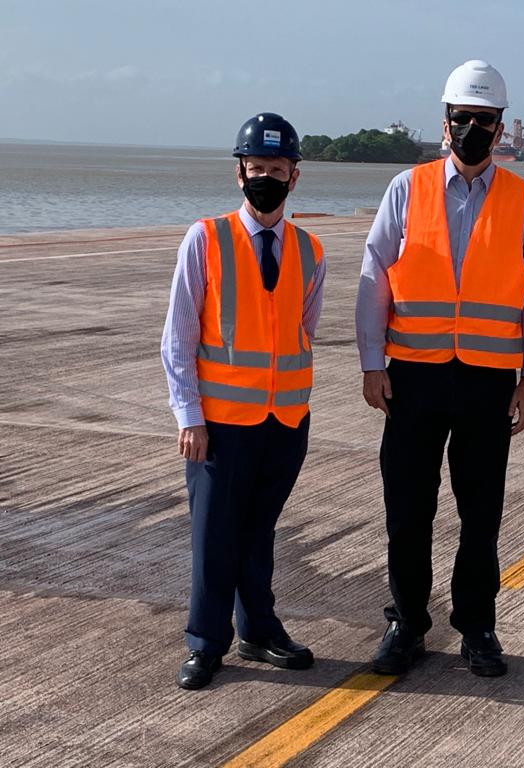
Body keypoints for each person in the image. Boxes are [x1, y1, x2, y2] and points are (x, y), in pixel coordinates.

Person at [356, 60, 524, 678]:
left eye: (485, 121)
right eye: (462, 118)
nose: (473, 129)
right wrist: (370, 363)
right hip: (412, 375)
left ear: (500, 129)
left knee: (481, 513)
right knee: (407, 509)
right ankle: (407, 623)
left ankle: (478, 628)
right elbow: (373, 279)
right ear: (445, 123)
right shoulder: (404, 190)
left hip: (488, 382)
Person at [161, 112, 326, 690]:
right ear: (239, 173)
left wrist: (296, 407)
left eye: (276, 170)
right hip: (220, 423)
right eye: (256, 168)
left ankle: (259, 630)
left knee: (261, 530)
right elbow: (178, 335)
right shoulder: (205, 238)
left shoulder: (311, 250)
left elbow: (304, 330)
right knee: (215, 534)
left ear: (294, 177)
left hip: (285, 420)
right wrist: (189, 415)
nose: (266, 178)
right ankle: (206, 643)